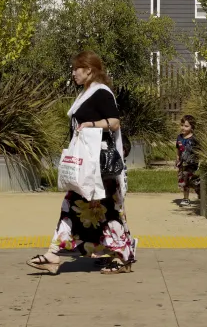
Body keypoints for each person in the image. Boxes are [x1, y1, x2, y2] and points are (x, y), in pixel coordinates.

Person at [27, 51, 136, 275]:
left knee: (106, 210)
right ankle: (54, 254)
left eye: (77, 68)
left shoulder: (101, 93)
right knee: (80, 208)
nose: (73, 72)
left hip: (99, 168)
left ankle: (120, 257)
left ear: (90, 70)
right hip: (87, 165)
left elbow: (114, 122)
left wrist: (91, 124)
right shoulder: (85, 94)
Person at [175, 115, 200, 206]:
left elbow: (200, 151)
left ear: (192, 127)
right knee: (183, 181)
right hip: (182, 163)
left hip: (192, 164)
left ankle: (187, 197)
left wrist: (200, 160)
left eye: (186, 126)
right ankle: (189, 195)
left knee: (186, 178)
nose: (183, 128)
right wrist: (177, 159)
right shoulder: (179, 137)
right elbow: (178, 149)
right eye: (182, 125)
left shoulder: (194, 139)